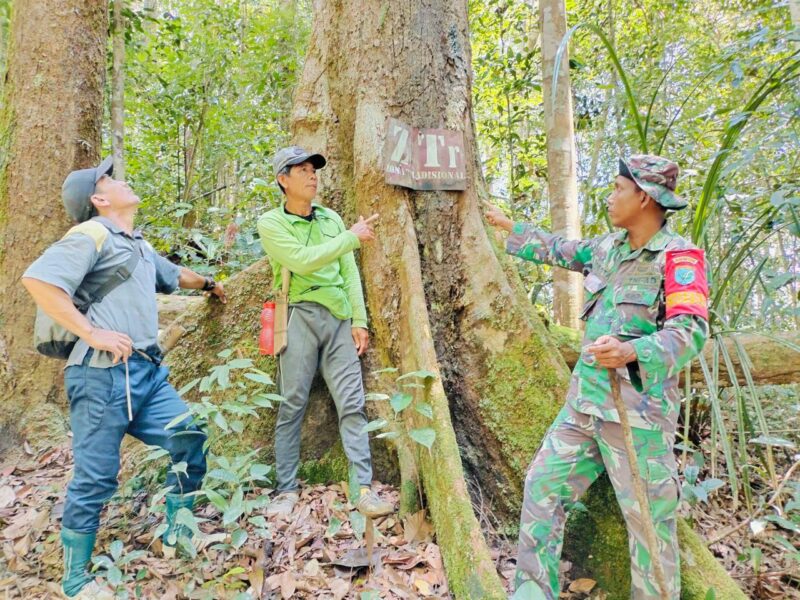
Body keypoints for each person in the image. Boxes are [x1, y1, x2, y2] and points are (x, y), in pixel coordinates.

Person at [485, 155, 709, 599]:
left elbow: (691, 331)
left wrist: (632, 351)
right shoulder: (608, 248)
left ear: (644, 198)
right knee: (542, 490)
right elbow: (562, 250)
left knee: (649, 526)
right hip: (584, 406)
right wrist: (510, 229)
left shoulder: (679, 257)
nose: (610, 198)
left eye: (617, 189)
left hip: (638, 419)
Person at [22, 157, 227, 599]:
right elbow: (39, 280)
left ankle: (177, 533)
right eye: (109, 179)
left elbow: (174, 276)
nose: (120, 180)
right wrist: (92, 332)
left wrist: (210, 283)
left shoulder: (134, 244)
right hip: (99, 379)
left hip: (147, 375)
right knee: (96, 477)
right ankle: (76, 581)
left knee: (189, 436)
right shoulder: (90, 233)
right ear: (99, 199)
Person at [257, 146, 394, 519]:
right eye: (301, 170)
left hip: (338, 321)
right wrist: (351, 236)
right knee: (292, 404)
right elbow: (300, 260)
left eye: (313, 169)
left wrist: (359, 320)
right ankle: (286, 489)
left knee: (352, 405)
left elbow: (349, 272)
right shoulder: (272, 223)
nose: (312, 175)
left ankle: (362, 489)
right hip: (298, 316)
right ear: (283, 180)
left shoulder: (331, 219)